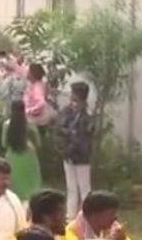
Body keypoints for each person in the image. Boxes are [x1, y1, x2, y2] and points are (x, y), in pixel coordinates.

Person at [59, 82, 93, 220]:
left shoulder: (87, 115)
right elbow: (61, 127)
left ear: (82, 98)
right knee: (71, 188)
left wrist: (70, 133)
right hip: (68, 155)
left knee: (85, 189)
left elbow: (85, 135)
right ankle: (71, 217)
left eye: (75, 98)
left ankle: (88, 217)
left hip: (82, 156)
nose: (72, 101)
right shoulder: (68, 111)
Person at [2, 100, 42, 202]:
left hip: (12, 157)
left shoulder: (7, 125)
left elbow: (4, 143)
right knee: (31, 185)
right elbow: (38, 142)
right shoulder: (30, 124)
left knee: (15, 187)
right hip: (29, 155)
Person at [64, 191, 129, 240]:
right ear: (94, 215)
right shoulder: (70, 233)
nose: (115, 217)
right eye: (111, 214)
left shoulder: (111, 228)